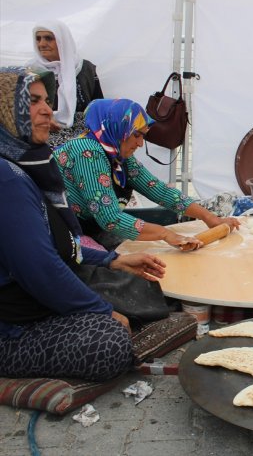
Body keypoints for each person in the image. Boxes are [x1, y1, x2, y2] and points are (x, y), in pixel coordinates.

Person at [0, 66, 166, 381]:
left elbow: (54, 242)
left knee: (130, 292)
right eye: (33, 101)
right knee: (109, 343)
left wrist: (113, 260)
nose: (48, 110)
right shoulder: (8, 177)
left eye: (47, 100)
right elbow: (41, 268)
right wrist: (101, 311)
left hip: (34, 301)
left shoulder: (28, 163)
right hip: (12, 331)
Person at [54, 98, 240, 251]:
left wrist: (210, 218)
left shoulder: (117, 155)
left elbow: (158, 190)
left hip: (90, 226)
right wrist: (165, 234)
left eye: (143, 136)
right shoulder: (87, 152)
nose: (141, 143)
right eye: (136, 135)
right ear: (118, 128)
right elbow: (109, 218)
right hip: (62, 232)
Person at [26, 20, 104, 147]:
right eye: (38, 39)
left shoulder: (84, 68)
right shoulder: (30, 71)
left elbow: (98, 106)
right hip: (43, 136)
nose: (42, 44)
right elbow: (19, 110)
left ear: (63, 41)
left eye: (48, 38)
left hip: (84, 138)